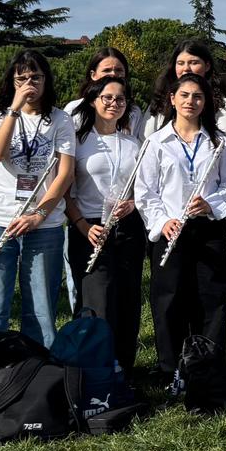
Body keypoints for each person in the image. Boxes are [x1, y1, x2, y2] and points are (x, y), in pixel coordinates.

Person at [0, 50, 76, 385]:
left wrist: (39, 214)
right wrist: (14, 108)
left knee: (40, 307)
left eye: (35, 77)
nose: (29, 84)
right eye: (21, 78)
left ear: (46, 80)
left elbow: (65, 174)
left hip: (44, 223)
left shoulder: (60, 119)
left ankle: (37, 382)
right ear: (11, 82)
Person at [135, 73, 226, 394]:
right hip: (171, 231)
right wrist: (162, 221)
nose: (190, 102)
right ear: (172, 99)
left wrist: (211, 204)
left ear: (205, 102)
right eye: (184, 95)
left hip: (207, 228)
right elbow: (145, 191)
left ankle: (207, 365)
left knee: (211, 298)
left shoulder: (218, 141)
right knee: (169, 300)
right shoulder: (156, 142)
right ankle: (171, 368)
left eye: (197, 96)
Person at [63, 76, 145, 376]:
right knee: (97, 302)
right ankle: (93, 372)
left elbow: (144, 187)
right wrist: (83, 225)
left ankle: (123, 369)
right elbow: (66, 193)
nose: (114, 103)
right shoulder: (78, 141)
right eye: (107, 97)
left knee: (127, 299)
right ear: (93, 101)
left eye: (120, 99)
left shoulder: (133, 143)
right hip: (89, 228)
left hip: (127, 226)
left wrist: (133, 203)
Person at [145, 40, 226, 138]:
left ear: (207, 66)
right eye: (180, 63)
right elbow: (145, 140)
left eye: (194, 63)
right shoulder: (159, 104)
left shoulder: (224, 106)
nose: (186, 68)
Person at [64, 46, 145, 133]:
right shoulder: (74, 109)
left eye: (119, 70)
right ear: (93, 75)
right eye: (107, 70)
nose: (113, 74)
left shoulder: (134, 113)